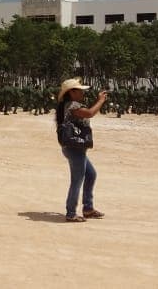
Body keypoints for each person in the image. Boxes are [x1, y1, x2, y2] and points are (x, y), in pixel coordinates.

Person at [55, 78, 107, 223]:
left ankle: (88, 208)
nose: (83, 92)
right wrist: (101, 100)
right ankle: (71, 213)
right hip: (74, 148)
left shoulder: (68, 104)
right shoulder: (72, 105)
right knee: (77, 180)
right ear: (72, 92)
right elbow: (90, 113)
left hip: (74, 147)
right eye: (80, 90)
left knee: (91, 174)